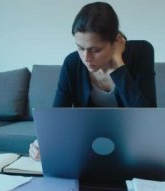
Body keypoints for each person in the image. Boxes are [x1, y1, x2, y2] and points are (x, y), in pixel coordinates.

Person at [29, 2, 156, 161]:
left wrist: (118, 66)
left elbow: (149, 119)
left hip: (133, 143)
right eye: (80, 48)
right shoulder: (72, 63)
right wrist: (42, 143)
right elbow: (57, 117)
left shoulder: (141, 52)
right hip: (87, 146)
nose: (86, 58)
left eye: (95, 50)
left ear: (116, 41)